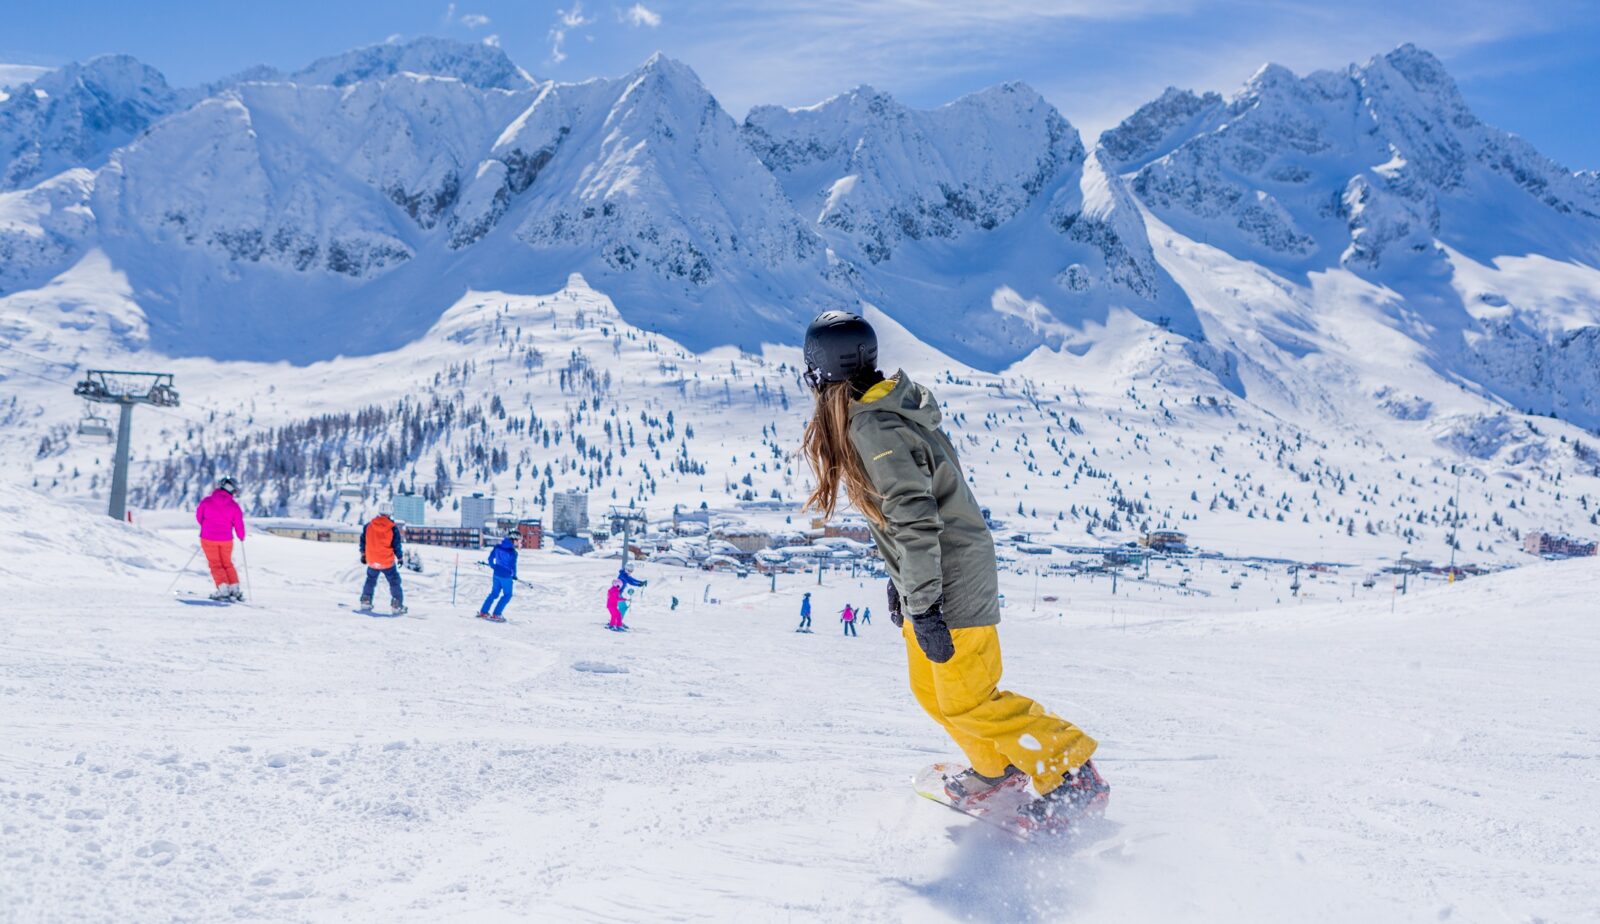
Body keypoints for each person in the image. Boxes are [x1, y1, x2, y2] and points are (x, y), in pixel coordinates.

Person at [800, 310, 1108, 831]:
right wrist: (901, 582)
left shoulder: (875, 426)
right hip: (933, 576)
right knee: (933, 692)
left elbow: (917, 520)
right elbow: (912, 513)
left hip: (951, 580)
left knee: (968, 699)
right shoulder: (881, 412)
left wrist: (922, 602)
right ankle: (998, 766)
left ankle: (1072, 771)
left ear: (822, 374)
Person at [195, 476, 246, 601]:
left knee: (215, 564)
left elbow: (199, 517)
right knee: (227, 563)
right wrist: (241, 535)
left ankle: (223, 589)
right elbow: (239, 523)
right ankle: (234, 589)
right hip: (226, 539)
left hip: (208, 538)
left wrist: (207, 527)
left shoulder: (207, 501)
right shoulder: (234, 506)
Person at [359, 503, 407, 615]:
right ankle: (397, 605)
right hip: (387, 562)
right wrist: (400, 558)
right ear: (390, 513)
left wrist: (363, 554)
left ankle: (366, 601)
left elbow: (363, 541)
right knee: (394, 582)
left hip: (372, 560)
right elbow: (396, 545)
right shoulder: (392, 528)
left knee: (370, 580)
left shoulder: (368, 526)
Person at [478, 530, 518, 622]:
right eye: (518, 540)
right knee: (507, 595)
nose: (519, 542)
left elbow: (490, 558)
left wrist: (493, 566)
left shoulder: (497, 547)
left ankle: (483, 612)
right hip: (506, 576)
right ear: (513, 539)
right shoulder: (513, 552)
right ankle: (497, 614)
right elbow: (513, 565)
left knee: (494, 593)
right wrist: (514, 575)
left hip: (496, 574)